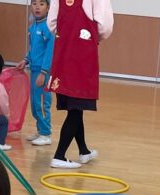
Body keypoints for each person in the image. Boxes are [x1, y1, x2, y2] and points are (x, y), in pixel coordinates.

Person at [46, 0, 114, 169]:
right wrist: (91, 36)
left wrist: (68, 34)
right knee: (76, 108)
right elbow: (105, 26)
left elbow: (52, 23)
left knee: (75, 107)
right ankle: (59, 156)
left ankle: (84, 151)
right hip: (83, 53)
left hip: (63, 52)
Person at [17, 0, 55, 146]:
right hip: (34, 70)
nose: (37, 7)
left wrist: (44, 73)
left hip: (43, 71)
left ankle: (46, 134)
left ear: (48, 8)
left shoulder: (48, 28)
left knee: (43, 103)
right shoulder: (33, 27)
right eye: (34, 3)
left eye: (41, 4)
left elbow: (50, 52)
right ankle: (41, 130)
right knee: (35, 103)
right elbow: (33, 49)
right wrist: (26, 60)